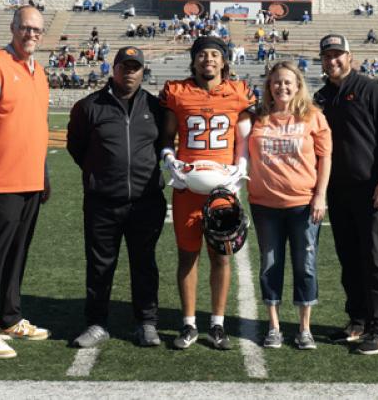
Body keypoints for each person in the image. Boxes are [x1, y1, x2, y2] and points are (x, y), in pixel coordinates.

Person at [67, 47, 166, 349]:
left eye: (135, 67)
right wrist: (103, 175)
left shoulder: (156, 106)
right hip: (103, 202)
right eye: (125, 66)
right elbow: (77, 147)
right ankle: (96, 323)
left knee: (144, 264)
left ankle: (146, 322)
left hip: (146, 201)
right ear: (114, 69)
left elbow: (162, 145)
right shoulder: (89, 106)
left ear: (142, 71)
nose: (130, 72)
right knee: (99, 265)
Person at [160, 36, 255, 350]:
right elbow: (166, 137)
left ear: (224, 61)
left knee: (221, 256)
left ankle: (217, 323)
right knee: (188, 256)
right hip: (187, 187)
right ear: (194, 60)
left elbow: (245, 139)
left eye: (214, 54)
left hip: (223, 189)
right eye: (202, 55)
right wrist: (170, 161)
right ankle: (188, 324)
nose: (208, 60)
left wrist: (240, 167)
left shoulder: (239, 93)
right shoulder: (177, 92)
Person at [314, 33, 378, 355]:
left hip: (371, 189)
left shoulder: (371, 88)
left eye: (338, 55)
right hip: (337, 191)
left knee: (376, 258)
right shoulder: (321, 96)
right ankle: (358, 319)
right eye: (327, 56)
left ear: (350, 57)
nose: (332, 60)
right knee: (349, 257)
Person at [248, 62, 331, 350]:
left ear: (297, 86)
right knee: (270, 264)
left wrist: (320, 196)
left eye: (287, 82)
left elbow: (325, 159)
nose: (282, 87)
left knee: (305, 265)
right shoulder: (257, 117)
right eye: (276, 82)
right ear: (269, 86)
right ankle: (274, 326)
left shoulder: (313, 116)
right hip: (265, 204)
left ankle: (304, 328)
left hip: (303, 204)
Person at [0, 6, 50, 359]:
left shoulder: (40, 72)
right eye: (25, 28)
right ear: (13, 28)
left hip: (30, 179)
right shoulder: (0, 64)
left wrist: (43, 171)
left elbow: (36, 126)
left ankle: (9, 317)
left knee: (17, 256)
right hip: (2, 181)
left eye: (37, 30)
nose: (31, 34)